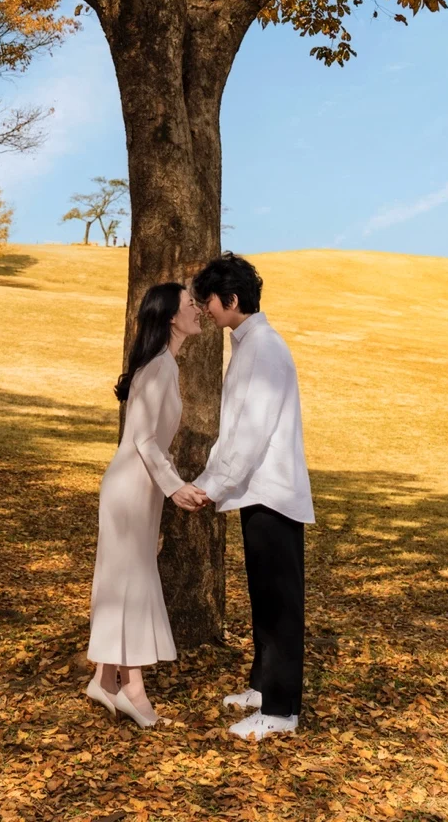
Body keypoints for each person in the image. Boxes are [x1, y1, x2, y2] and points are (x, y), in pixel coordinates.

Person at [192, 252, 314, 740]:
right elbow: (233, 431)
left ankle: (281, 712)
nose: (204, 310)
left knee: (280, 603)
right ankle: (264, 689)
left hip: (272, 493)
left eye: (208, 301)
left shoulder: (262, 348)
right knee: (264, 598)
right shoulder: (248, 344)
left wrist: (212, 487)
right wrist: (209, 480)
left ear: (231, 299)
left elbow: (250, 434)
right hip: (257, 491)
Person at [86, 282, 210, 727]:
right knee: (131, 581)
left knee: (124, 578)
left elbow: (153, 442)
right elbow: (142, 438)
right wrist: (174, 487)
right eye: (190, 304)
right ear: (171, 317)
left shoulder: (163, 365)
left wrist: (174, 484)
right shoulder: (158, 367)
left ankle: (105, 679)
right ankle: (133, 690)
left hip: (140, 488)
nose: (198, 309)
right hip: (129, 489)